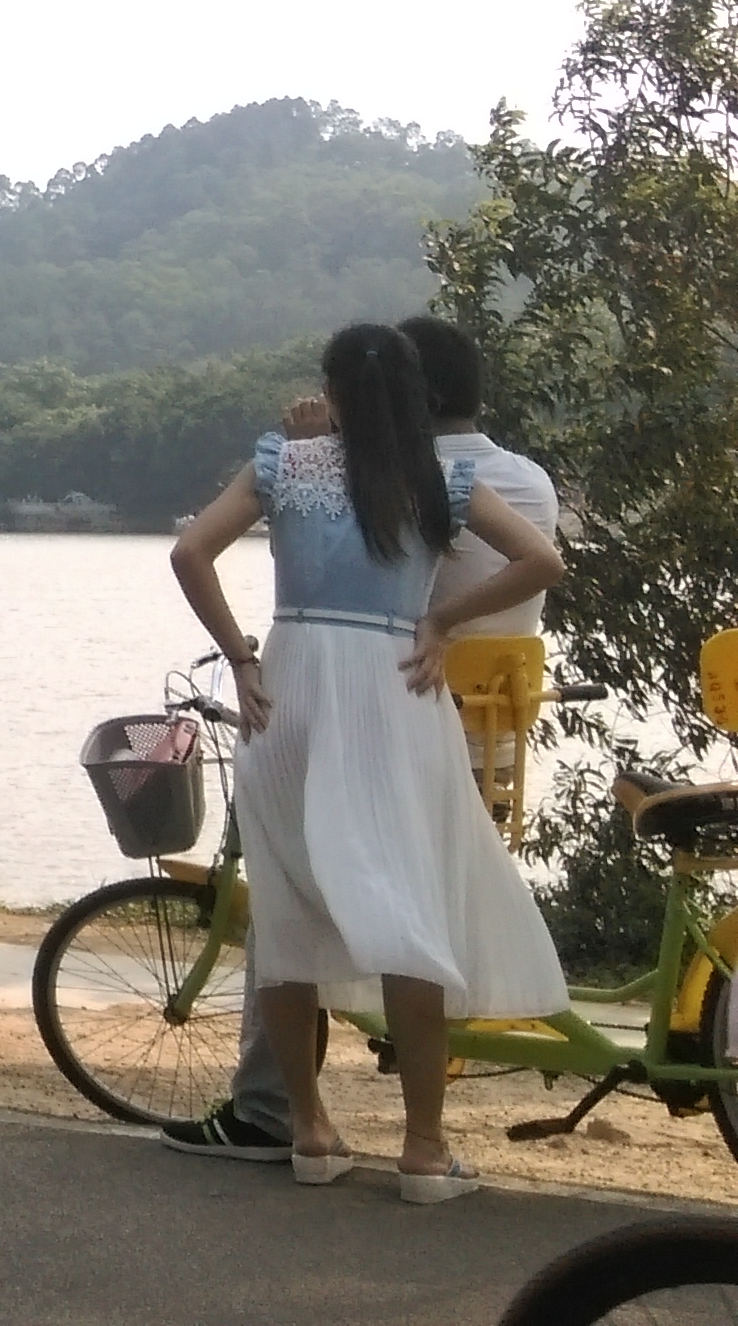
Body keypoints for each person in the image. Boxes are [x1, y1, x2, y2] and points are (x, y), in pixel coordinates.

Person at [168, 322, 565, 1203]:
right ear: (418, 396)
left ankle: (308, 1132)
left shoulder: (284, 463)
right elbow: (544, 561)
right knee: (408, 911)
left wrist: (239, 655)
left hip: (289, 687)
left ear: (334, 393)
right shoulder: (442, 479)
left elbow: (190, 552)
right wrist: (441, 623)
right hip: (393, 687)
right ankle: (423, 1149)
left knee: (289, 910)